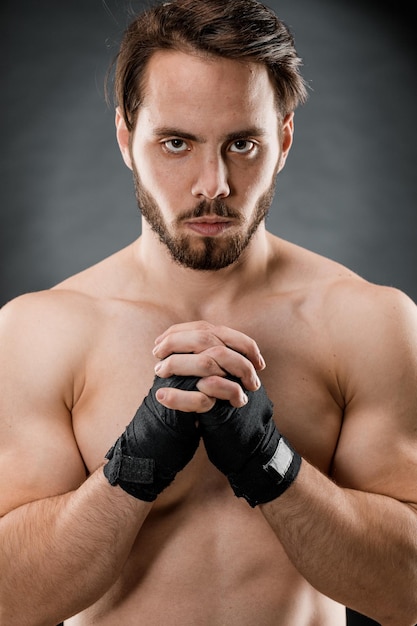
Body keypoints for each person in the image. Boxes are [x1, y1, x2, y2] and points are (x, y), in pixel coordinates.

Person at [0, 0, 416, 624]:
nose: (212, 183)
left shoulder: (368, 322)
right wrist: (131, 471)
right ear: (125, 139)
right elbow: (12, 600)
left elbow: (406, 593)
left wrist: (269, 462)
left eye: (242, 143)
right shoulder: (41, 330)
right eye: (176, 143)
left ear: (284, 139)